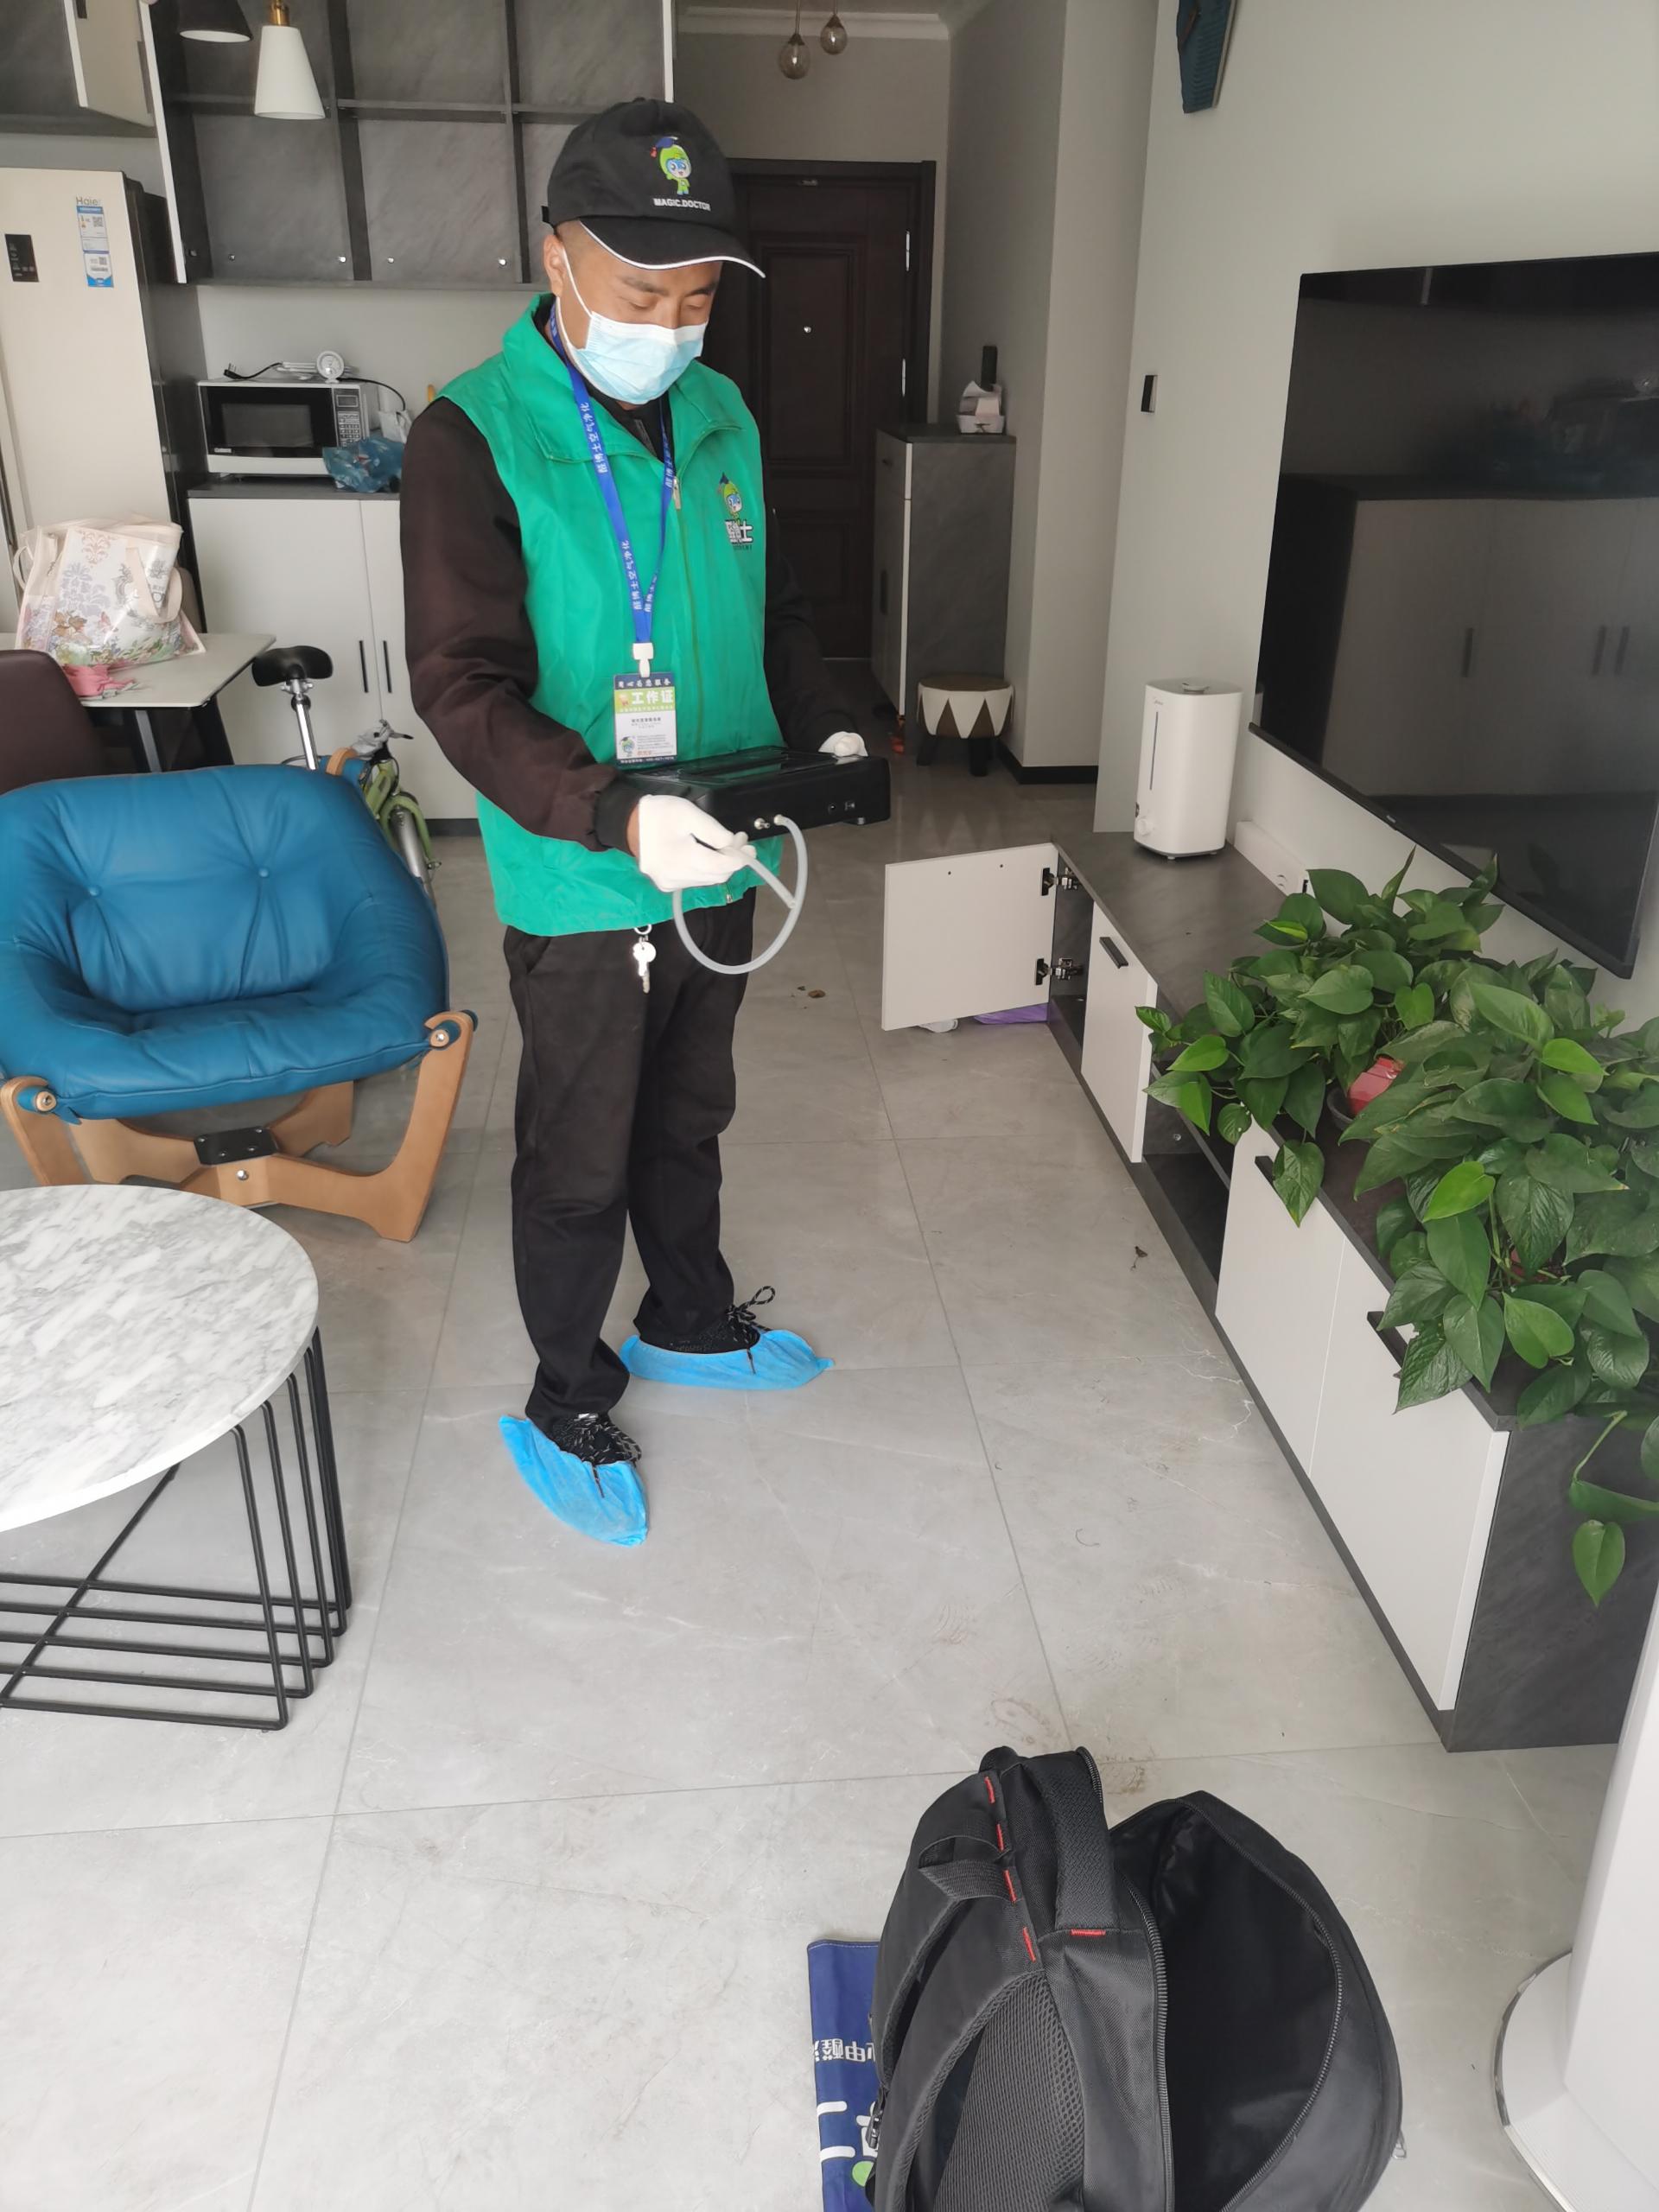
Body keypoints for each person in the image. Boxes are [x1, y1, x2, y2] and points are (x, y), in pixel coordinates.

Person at [401, 99, 864, 1548]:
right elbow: (460, 688)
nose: (672, 324)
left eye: (699, 295)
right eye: (644, 290)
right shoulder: (471, 436)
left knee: (689, 1113)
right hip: (585, 873)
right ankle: (564, 1390)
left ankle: (688, 1315)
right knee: (579, 1150)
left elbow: (776, 608)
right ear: (558, 257)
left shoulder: (724, 417)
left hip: (722, 846)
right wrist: (614, 812)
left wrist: (826, 725)